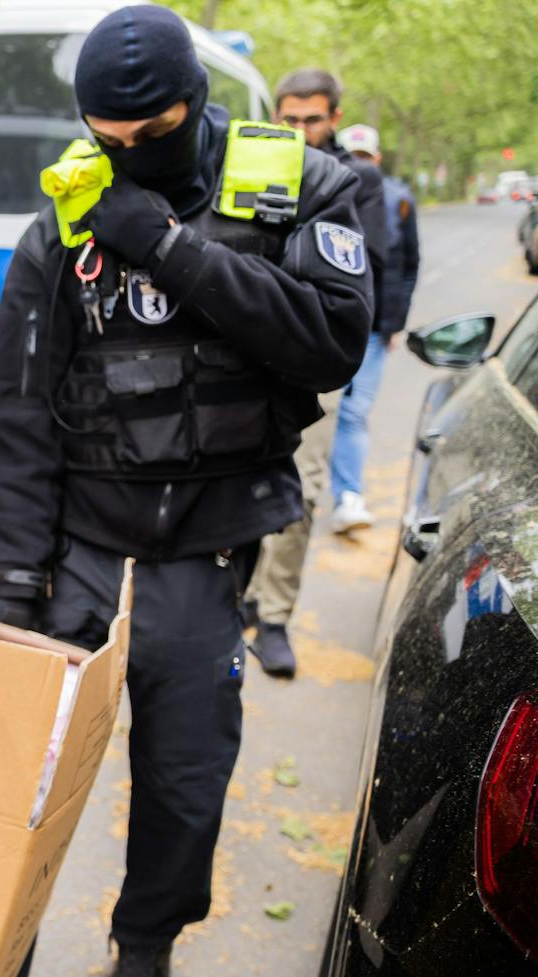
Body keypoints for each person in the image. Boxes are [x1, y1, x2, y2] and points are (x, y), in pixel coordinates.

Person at [0, 9, 370, 977]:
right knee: (4, 785)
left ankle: (143, 939)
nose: (121, 154)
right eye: (102, 135)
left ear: (191, 108)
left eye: (146, 131)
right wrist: (12, 580)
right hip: (74, 541)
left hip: (204, 541)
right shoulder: (62, 220)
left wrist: (159, 242)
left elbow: (329, 340)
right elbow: (13, 414)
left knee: (184, 774)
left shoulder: (298, 192)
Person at [243, 68, 388, 678]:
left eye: (312, 119)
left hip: (316, 357)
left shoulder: (356, 181)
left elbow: (364, 273)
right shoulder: (248, 164)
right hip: (248, 351)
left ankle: (274, 616)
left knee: (298, 490)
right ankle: (241, 596)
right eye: (289, 118)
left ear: (333, 120)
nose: (299, 130)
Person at [329, 123, 421, 527]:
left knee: (353, 412)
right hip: (328, 323)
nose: (361, 167)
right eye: (355, 158)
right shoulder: (325, 191)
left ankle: (348, 496)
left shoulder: (400, 200)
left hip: (373, 330)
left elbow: (408, 265)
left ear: (377, 160)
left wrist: (393, 323)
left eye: (367, 159)